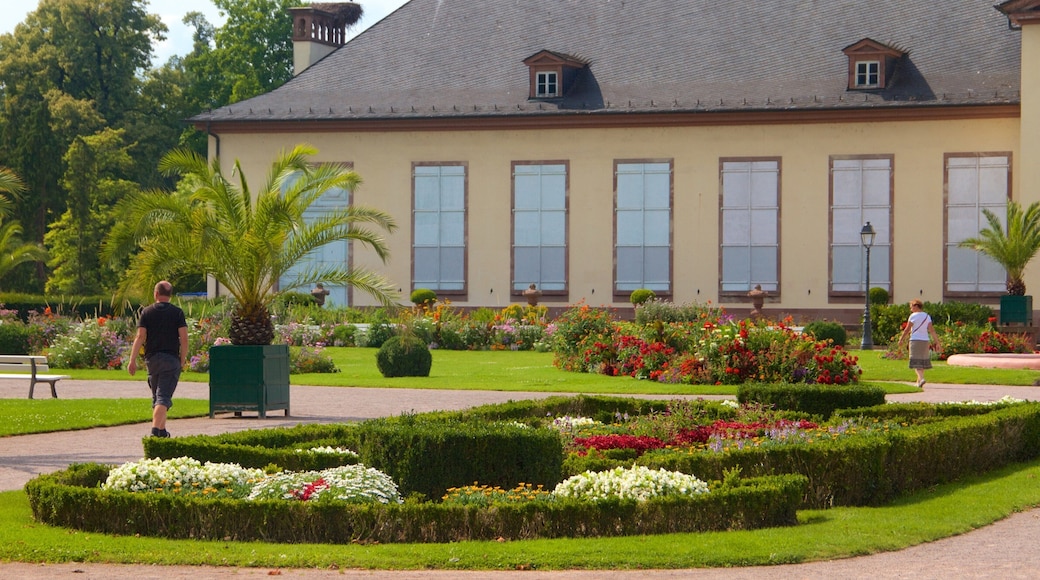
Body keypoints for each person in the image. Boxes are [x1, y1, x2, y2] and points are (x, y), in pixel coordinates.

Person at [128, 281, 188, 438]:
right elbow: (184, 338)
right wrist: (182, 360)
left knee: (157, 397)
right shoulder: (177, 313)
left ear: (156, 294)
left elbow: (140, 336)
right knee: (163, 397)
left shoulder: (147, 312)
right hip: (171, 359)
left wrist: (132, 360)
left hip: (152, 359)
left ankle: (162, 431)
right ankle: (155, 431)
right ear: (170, 295)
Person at [897, 299, 941, 388]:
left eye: (911, 307)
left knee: (915, 361)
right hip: (925, 341)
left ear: (916, 306)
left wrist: (901, 339)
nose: (911, 309)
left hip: (915, 340)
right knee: (922, 361)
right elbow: (932, 330)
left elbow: (907, 329)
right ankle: (918, 382)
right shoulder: (927, 316)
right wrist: (937, 343)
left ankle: (921, 378)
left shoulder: (913, 316)